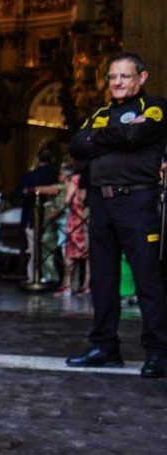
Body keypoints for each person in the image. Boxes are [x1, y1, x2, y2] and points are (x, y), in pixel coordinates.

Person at [66, 53, 167, 377]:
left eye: (124, 76)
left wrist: (103, 138)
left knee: (148, 280)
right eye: (113, 77)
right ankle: (105, 347)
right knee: (104, 280)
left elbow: (135, 136)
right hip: (102, 203)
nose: (118, 83)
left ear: (142, 77)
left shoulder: (154, 107)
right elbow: (78, 145)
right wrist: (114, 136)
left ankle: (158, 352)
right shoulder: (99, 113)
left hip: (137, 201)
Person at [15, 147, 61, 285]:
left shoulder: (30, 176)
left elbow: (16, 194)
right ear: (53, 159)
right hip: (54, 217)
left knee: (33, 249)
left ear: (37, 158)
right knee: (51, 249)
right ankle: (51, 277)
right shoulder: (56, 175)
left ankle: (33, 277)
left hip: (31, 217)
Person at [59, 163, 89, 296]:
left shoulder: (75, 179)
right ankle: (86, 285)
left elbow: (67, 200)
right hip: (88, 218)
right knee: (88, 255)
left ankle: (68, 285)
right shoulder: (92, 177)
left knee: (70, 253)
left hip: (75, 218)